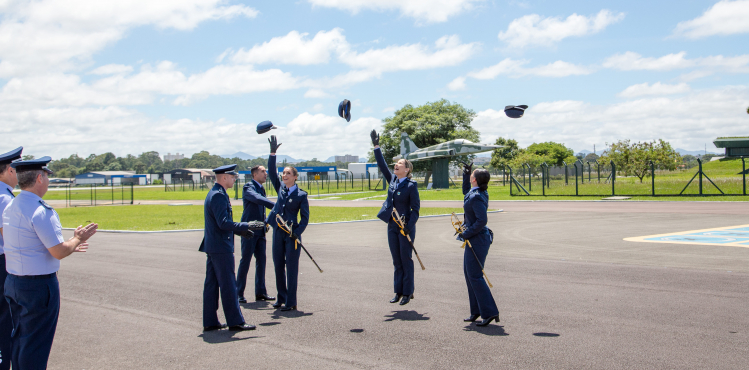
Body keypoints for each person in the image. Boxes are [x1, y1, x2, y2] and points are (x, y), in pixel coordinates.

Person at [2, 156, 98, 369]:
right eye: (46, 176)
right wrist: (77, 239)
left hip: (13, 282)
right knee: (36, 345)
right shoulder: (42, 211)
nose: (47, 180)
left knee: (19, 340)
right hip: (37, 287)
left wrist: (71, 244)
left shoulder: (11, 206)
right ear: (39, 178)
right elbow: (58, 252)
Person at [200, 164, 256, 332]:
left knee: (211, 285)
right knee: (229, 285)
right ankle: (235, 321)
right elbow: (223, 223)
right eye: (232, 177)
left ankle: (210, 321)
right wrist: (246, 225)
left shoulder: (215, 193)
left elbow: (220, 224)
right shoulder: (218, 196)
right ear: (224, 177)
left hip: (214, 246)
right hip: (220, 247)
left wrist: (240, 232)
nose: (234, 179)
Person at [370, 130, 421, 306]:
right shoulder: (392, 180)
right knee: (396, 259)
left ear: (407, 169)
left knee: (405, 258)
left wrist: (409, 225)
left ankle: (408, 292)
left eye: (400, 164)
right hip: (392, 225)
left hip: (405, 226)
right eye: (396, 164)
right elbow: (382, 165)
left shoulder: (411, 186)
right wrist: (376, 146)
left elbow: (416, 209)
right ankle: (398, 291)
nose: (396, 166)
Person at [265, 135, 309, 311]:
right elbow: (270, 169)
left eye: (288, 173)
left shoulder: (301, 195)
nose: (284, 175)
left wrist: (297, 232)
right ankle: (281, 297)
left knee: (291, 268)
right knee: (278, 265)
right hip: (278, 232)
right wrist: (272, 153)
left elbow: (305, 217)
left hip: (292, 234)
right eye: (283, 173)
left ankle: (291, 301)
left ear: (295, 177)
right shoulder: (281, 189)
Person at [458, 163, 499, 327]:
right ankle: (476, 311)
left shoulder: (476, 196)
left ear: (474, 179)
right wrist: (466, 173)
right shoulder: (475, 192)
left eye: (471, 174)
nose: (470, 176)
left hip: (478, 239)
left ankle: (489, 312)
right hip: (474, 238)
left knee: (475, 275)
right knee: (469, 274)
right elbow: (465, 191)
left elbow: (482, 220)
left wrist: (466, 233)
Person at [237, 165, 276, 303]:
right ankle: (238, 293)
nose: (266, 173)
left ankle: (260, 292)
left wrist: (266, 222)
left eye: (266, 171)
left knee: (262, 261)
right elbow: (258, 200)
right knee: (246, 260)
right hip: (249, 230)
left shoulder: (261, 188)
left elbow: (261, 209)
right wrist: (275, 206)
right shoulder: (248, 187)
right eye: (263, 171)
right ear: (254, 174)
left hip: (260, 231)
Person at [0, 146, 22, 370]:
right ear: (8, 171)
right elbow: (9, 239)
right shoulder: (5, 199)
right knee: (5, 319)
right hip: (2, 263)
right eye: (16, 169)